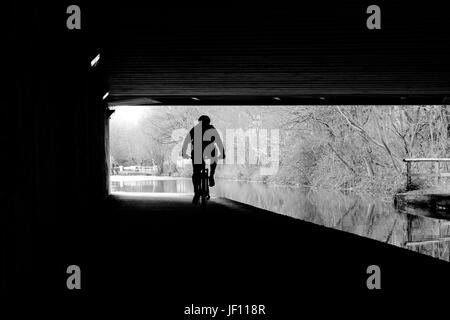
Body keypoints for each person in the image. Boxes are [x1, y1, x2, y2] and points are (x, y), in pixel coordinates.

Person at [182, 115, 225, 204]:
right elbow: (219, 141)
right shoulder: (211, 129)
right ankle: (212, 175)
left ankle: (196, 192)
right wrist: (223, 152)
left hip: (198, 152)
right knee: (214, 155)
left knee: (196, 172)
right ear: (209, 122)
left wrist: (184, 152)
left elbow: (187, 140)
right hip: (208, 151)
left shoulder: (196, 128)